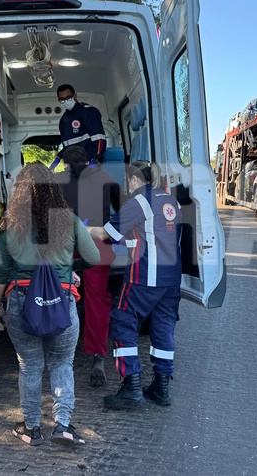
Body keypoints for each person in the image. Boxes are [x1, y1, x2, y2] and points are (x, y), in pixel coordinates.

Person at [0, 163, 101, 446]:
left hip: (22, 303)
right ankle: (62, 426)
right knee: (62, 363)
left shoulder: (9, 226)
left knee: (29, 366)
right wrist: (67, 269)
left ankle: (31, 429)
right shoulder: (68, 220)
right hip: (61, 301)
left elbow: (0, 274)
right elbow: (94, 257)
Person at [87, 161, 183, 410]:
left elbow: (107, 234)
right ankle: (161, 388)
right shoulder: (171, 201)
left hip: (145, 277)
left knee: (122, 320)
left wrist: (81, 228)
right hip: (171, 279)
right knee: (162, 329)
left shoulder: (139, 201)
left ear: (133, 180)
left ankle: (131, 385)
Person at [56, 145, 122, 387]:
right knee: (97, 298)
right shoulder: (104, 177)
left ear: (65, 163)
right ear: (88, 161)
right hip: (97, 241)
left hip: (65, 243)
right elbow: (121, 208)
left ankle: (61, 353)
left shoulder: (56, 180)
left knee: (62, 294)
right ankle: (97, 356)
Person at [57, 84, 107, 164]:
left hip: (89, 164)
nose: (66, 101)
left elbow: (99, 139)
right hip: (74, 166)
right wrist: (58, 157)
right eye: (62, 99)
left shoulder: (88, 112)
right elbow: (67, 146)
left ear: (75, 96)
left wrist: (95, 160)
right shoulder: (63, 121)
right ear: (59, 101)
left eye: (69, 97)